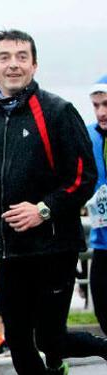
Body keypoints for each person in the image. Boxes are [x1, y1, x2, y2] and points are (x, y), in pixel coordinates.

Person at [0, 29, 107, 375]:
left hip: (54, 247)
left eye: (21, 56)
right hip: (9, 250)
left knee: (50, 339)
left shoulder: (58, 112)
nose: (13, 64)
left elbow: (83, 178)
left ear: (34, 64)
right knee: (20, 340)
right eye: (4, 57)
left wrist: (42, 210)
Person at [86, 75, 107, 334]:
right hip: (101, 240)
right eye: (96, 105)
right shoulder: (88, 136)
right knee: (103, 311)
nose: (101, 112)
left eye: (106, 104)